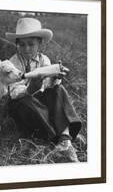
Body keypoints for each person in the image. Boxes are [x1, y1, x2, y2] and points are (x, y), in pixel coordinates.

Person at [5, 17, 82, 162]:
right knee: (27, 101)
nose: (26, 49)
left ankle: (65, 139)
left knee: (59, 90)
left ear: (40, 43)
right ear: (17, 45)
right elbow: (14, 93)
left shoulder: (44, 60)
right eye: (22, 45)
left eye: (31, 44)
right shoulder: (12, 63)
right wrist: (29, 89)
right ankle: (59, 136)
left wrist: (55, 77)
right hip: (22, 105)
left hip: (40, 103)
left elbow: (48, 87)